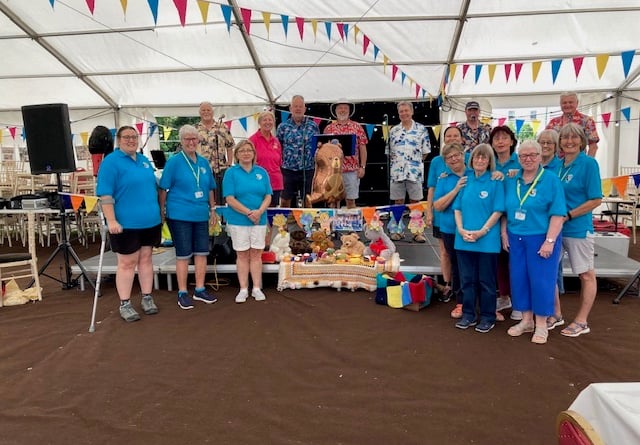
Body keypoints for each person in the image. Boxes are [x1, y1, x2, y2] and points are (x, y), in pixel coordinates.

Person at [96, 126, 162, 322]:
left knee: (146, 259)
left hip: (150, 220)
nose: (131, 140)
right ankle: (125, 302)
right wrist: (112, 220)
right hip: (125, 223)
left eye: (134, 137)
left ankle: (147, 297)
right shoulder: (110, 163)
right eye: (127, 137)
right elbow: (106, 195)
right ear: (119, 140)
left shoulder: (143, 160)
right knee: (127, 262)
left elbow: (152, 187)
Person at [503, 141, 566, 344]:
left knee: (541, 281)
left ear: (540, 156)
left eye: (532, 155)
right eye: (523, 156)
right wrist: (504, 233)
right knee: (519, 279)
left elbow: (558, 213)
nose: (528, 159)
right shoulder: (513, 180)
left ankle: (541, 324)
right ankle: (526, 320)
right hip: (516, 237)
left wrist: (550, 241)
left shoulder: (550, 180)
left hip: (541, 238)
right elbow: (505, 210)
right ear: (518, 158)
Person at [159, 125, 218, 310]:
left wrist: (213, 209)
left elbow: (209, 188)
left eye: (194, 138)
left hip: (200, 214)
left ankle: (199, 289)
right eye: (187, 139)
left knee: (202, 253)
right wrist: (162, 211)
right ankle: (182, 292)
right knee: (183, 254)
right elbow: (163, 188)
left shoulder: (203, 162)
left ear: (198, 140)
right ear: (181, 141)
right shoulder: (174, 162)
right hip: (180, 214)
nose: (191, 142)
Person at [553, 123, 602, 337]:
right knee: (550, 273)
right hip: (556, 229)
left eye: (573, 137)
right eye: (564, 138)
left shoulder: (589, 164)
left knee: (585, 274)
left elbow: (596, 200)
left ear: (582, 141)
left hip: (578, 229)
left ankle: (582, 321)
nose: (569, 141)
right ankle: (556, 314)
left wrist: (570, 215)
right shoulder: (558, 165)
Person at [452, 144, 504, 332]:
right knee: (467, 281)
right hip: (464, 239)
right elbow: (457, 208)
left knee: (486, 282)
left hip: (486, 242)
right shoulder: (466, 181)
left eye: (484, 157)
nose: (480, 160)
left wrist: (483, 231)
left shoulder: (496, 181)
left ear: (490, 161)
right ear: (471, 160)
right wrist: (460, 229)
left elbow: (498, 210)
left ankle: (488, 316)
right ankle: (468, 314)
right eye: (476, 157)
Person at [222, 140, 272, 303]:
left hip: (259, 219)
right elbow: (229, 198)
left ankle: (257, 287)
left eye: (249, 150)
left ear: (253, 153)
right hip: (238, 220)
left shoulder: (262, 172)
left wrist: (259, 212)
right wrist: (248, 212)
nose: (245, 153)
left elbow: (268, 196)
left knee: (256, 254)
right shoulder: (231, 173)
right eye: (242, 151)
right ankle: (243, 289)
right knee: (242, 254)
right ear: (236, 154)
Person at [426, 126, 463, 303]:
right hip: (442, 214)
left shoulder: (469, 159)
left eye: (456, 135)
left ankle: (462, 287)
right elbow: (432, 187)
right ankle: (448, 285)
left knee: (461, 253)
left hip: (463, 217)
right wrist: (428, 211)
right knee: (445, 252)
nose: (452, 138)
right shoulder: (436, 162)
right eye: (449, 135)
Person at [386, 100, 431, 242]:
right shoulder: (393, 131)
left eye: (406, 110)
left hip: (414, 171)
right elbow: (389, 152)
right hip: (397, 172)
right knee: (398, 202)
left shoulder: (421, 129)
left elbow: (425, 152)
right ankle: (397, 231)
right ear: (399, 114)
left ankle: (417, 232)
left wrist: (414, 162)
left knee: (415, 202)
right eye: (401, 111)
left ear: (411, 112)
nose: (404, 113)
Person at [433, 142, 469, 318]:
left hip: (472, 229)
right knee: (457, 266)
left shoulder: (476, 173)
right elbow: (438, 205)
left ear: (463, 155)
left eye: (456, 155)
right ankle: (461, 302)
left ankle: (482, 303)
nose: (454, 159)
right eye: (449, 157)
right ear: (445, 161)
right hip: (450, 229)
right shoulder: (444, 178)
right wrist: (455, 189)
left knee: (476, 266)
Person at [490, 125, 521, 321]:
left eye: (504, 138)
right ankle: (504, 296)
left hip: (516, 220)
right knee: (499, 261)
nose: (500, 142)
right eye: (496, 139)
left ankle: (520, 302)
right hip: (494, 219)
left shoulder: (520, 162)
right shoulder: (490, 164)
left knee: (515, 262)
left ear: (511, 141)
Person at [323, 99, 368, 208]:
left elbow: (362, 147)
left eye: (345, 108)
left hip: (352, 170)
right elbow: (324, 150)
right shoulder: (329, 128)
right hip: (333, 171)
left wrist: (362, 166)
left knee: (351, 200)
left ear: (349, 110)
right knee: (332, 201)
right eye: (340, 108)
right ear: (336, 110)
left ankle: (350, 223)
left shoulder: (357, 127)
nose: (342, 110)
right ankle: (331, 224)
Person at [276, 95, 319, 208]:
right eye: (295, 106)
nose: (298, 109)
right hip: (288, 170)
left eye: (300, 106)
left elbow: (319, 146)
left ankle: (307, 224)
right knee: (285, 199)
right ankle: (284, 223)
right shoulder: (283, 127)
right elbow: (278, 147)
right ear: (290, 109)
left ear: (304, 109)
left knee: (308, 199)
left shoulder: (313, 126)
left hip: (308, 169)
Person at [196, 101, 235, 203]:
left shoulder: (222, 127)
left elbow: (230, 146)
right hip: (202, 169)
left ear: (212, 112)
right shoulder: (195, 129)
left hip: (220, 170)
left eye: (208, 110)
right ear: (199, 113)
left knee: (220, 199)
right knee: (205, 198)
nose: (206, 112)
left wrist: (229, 163)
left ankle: (219, 218)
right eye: (203, 110)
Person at [545, 92, 600, 157]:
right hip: (557, 164)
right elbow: (545, 144)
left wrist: (587, 164)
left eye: (570, 102)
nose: (567, 105)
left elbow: (593, 147)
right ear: (560, 104)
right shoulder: (553, 122)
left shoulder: (587, 121)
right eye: (564, 103)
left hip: (579, 163)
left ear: (577, 103)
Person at [249, 110, 283, 207]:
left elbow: (279, 161)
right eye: (264, 120)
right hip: (259, 182)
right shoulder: (252, 140)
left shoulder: (276, 141)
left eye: (270, 120)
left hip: (275, 182)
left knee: (274, 215)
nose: (267, 122)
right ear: (259, 123)